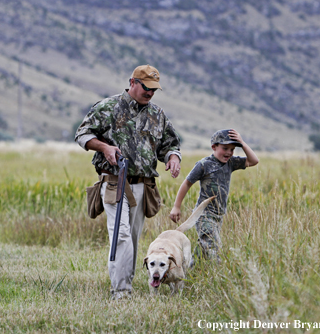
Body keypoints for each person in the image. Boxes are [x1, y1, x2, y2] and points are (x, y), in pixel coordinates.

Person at [75, 64, 181, 300]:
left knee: (132, 237)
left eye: (154, 89)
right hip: (115, 182)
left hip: (144, 185)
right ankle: (121, 292)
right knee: (121, 236)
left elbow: (171, 144)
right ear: (133, 82)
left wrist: (173, 157)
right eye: (146, 87)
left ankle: (126, 284)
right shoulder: (108, 107)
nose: (150, 93)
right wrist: (104, 147)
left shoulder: (158, 114)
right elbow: (82, 134)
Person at [169, 129, 258, 261]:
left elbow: (254, 161)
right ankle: (219, 270)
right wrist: (176, 206)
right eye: (225, 148)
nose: (229, 152)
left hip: (218, 215)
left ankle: (190, 270)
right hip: (204, 214)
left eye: (232, 149)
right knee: (213, 245)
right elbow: (186, 183)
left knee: (203, 247)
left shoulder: (231, 163)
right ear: (214, 147)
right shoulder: (204, 165)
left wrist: (243, 143)